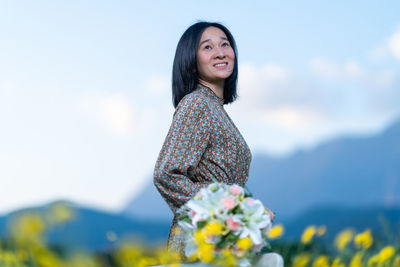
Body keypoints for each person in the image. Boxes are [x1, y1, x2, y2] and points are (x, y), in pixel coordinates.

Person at [153, 21, 273, 259]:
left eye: (225, 44)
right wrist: (229, 208)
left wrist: (248, 211)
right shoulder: (197, 103)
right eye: (207, 47)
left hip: (221, 241)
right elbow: (166, 174)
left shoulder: (214, 108)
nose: (220, 52)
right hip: (200, 244)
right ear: (192, 60)